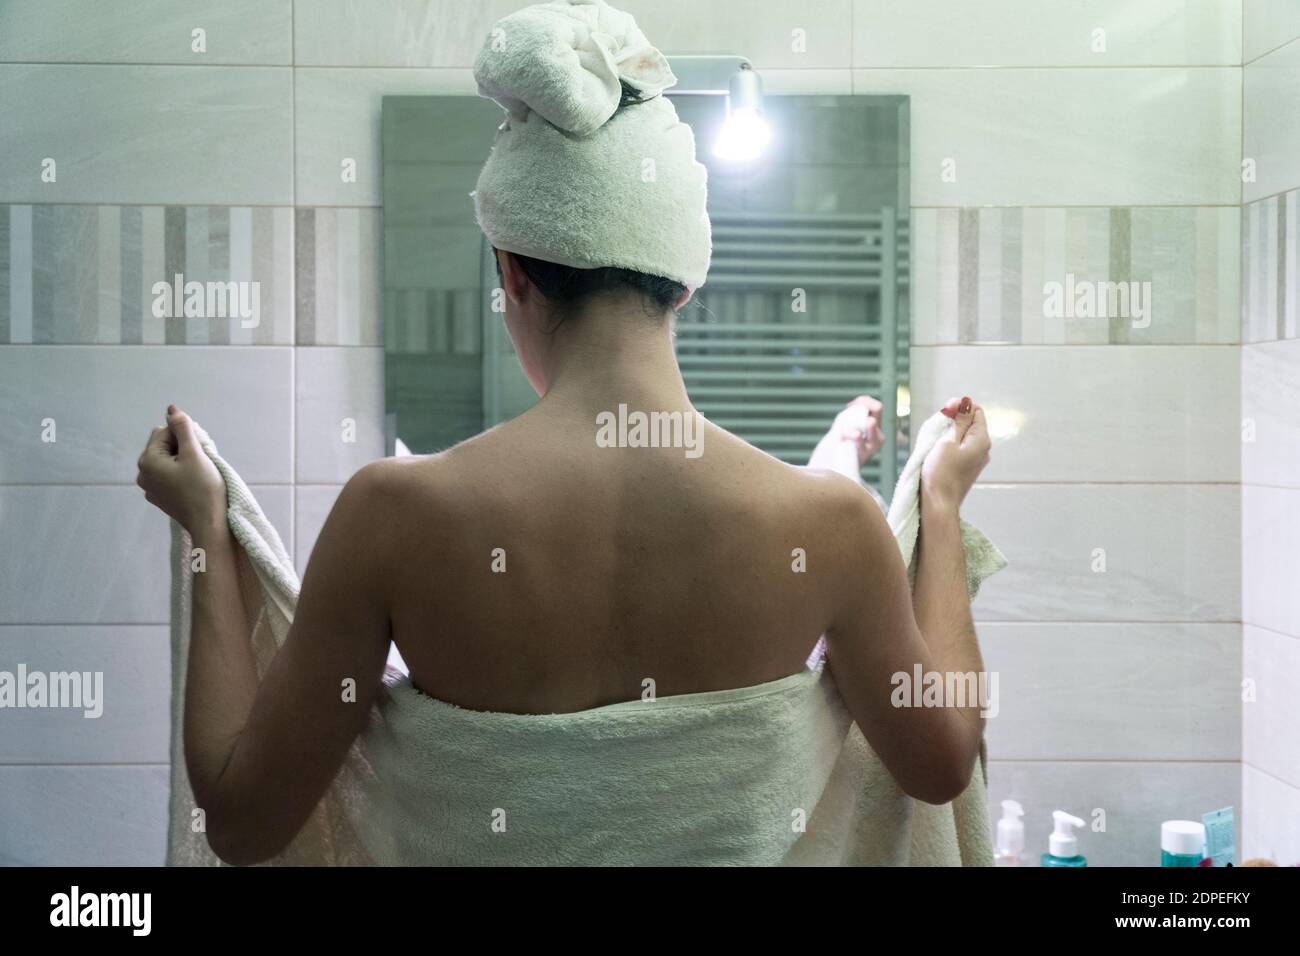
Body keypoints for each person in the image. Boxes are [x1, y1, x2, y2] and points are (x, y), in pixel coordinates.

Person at [135, 0, 992, 866]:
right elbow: (943, 762)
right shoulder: (831, 528)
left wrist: (208, 531)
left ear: (512, 273)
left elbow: (241, 823)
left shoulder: (392, 515)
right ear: (683, 284)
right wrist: (943, 507)